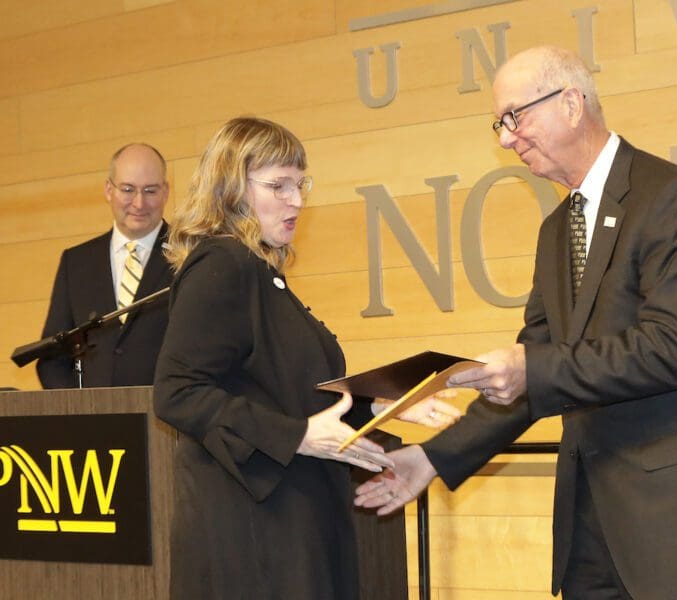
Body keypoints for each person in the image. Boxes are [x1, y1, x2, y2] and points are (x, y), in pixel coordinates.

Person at [357, 46, 677, 599]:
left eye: (515, 117)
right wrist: (434, 457)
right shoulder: (557, 228)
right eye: (499, 124)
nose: (506, 138)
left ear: (572, 103)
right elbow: (538, 370)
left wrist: (531, 367)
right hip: (592, 529)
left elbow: (674, 348)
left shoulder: (668, 197)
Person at [152, 116, 460, 600]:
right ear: (231, 189)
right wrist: (296, 436)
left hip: (292, 519)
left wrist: (385, 403)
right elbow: (177, 394)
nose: (297, 200)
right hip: (253, 533)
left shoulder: (261, 273)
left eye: (301, 184)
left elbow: (294, 393)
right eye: (278, 185)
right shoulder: (221, 265)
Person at [37, 143, 173, 388]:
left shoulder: (190, 255)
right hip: (93, 422)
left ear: (166, 191)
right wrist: (78, 415)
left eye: (150, 191)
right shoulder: (76, 262)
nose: (139, 203)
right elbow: (52, 358)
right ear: (109, 190)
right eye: (128, 189)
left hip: (169, 421)